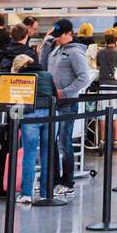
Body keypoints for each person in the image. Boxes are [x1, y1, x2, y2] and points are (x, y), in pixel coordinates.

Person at [42, 18, 90, 198]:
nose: (57, 39)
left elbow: (83, 77)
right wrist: (46, 44)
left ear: (69, 34)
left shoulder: (76, 53)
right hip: (53, 103)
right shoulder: (56, 50)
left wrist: (65, 92)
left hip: (67, 103)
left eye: (59, 36)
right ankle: (52, 179)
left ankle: (67, 181)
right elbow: (44, 66)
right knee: (51, 142)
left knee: (64, 142)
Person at [11, 52, 57, 205]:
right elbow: (55, 94)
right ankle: (45, 193)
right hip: (50, 114)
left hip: (30, 115)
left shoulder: (20, 78)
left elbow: (16, 101)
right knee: (47, 154)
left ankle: (26, 194)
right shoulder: (47, 75)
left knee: (29, 155)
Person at [96, 28, 117, 150]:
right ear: (116, 38)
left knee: (103, 116)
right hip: (116, 86)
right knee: (116, 116)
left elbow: (98, 66)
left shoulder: (100, 52)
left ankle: (102, 141)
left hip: (103, 85)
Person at [0, 23, 34, 88]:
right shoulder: (31, 54)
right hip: (24, 91)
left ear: (11, 36)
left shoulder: (2, 52)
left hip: (4, 90)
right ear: (26, 36)